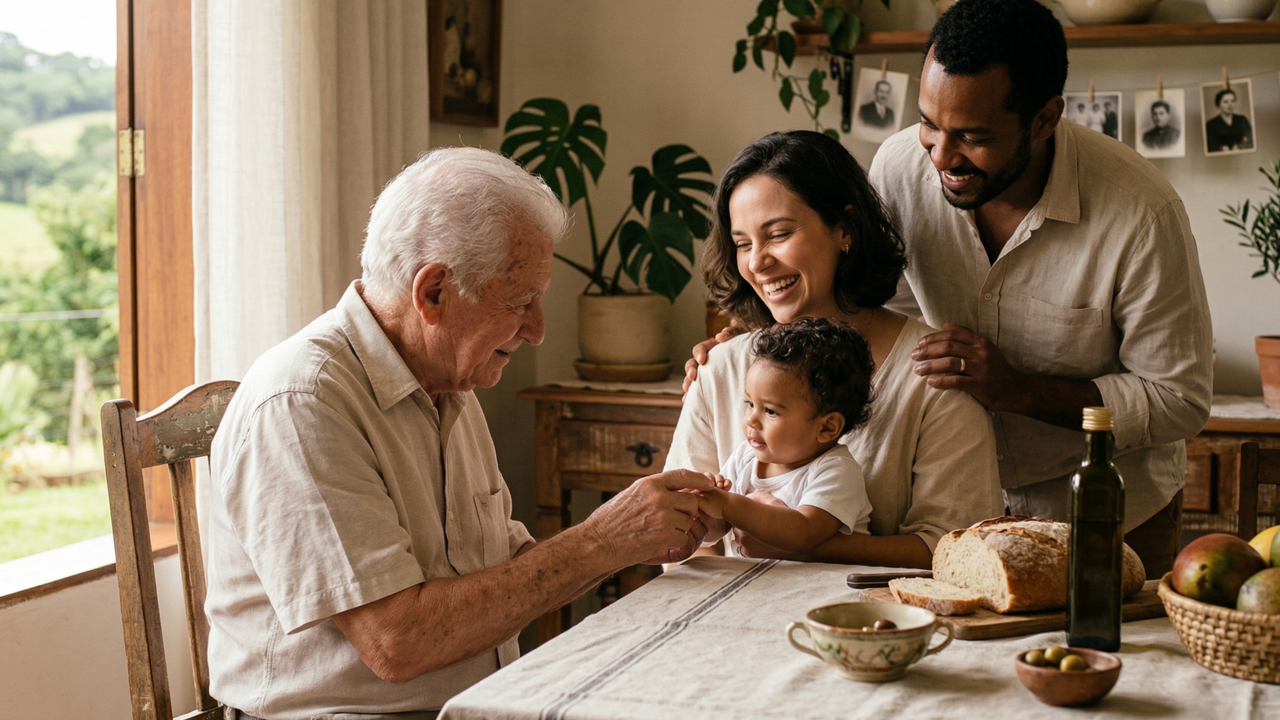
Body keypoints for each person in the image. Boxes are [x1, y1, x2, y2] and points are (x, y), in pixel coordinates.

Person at [204, 147, 712, 719]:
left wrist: (635, 540)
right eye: (522, 300)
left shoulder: (449, 381)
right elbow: (398, 642)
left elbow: (509, 570)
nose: (540, 331)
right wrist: (599, 542)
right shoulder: (303, 401)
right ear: (434, 292)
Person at [868, 0, 1212, 577]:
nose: (941, 156)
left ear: (1046, 118)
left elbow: (1179, 399)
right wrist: (745, 354)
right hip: (952, 513)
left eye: (973, 137)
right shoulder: (899, 168)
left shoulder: (1141, 212)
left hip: (1108, 517)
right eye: (929, 122)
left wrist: (1019, 390)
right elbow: (881, 321)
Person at [670, 130, 1004, 570]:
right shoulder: (719, 369)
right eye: (743, 244)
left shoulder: (935, 377)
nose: (757, 262)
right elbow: (683, 544)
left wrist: (800, 543)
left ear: (843, 230)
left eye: (779, 234)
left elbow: (957, 549)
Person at [699, 318, 874, 556]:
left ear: (827, 428)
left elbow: (803, 533)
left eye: (770, 411)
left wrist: (727, 504)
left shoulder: (836, 472)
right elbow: (720, 528)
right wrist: (704, 510)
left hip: (818, 590)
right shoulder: (745, 458)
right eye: (750, 404)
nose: (751, 419)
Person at [1205, 87, 1253, 152]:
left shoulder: (1242, 120)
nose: (1230, 105)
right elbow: (1209, 146)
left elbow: (1251, 140)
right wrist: (1221, 149)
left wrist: (1239, 147)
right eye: (1226, 102)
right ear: (1219, 104)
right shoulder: (1211, 124)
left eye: (1232, 101)